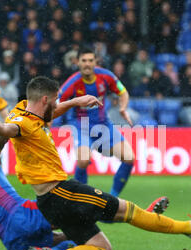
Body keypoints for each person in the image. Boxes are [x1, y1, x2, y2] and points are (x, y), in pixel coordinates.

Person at [0, 76, 191, 250]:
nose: (59, 104)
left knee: (102, 249)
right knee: (126, 210)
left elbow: (45, 115)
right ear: (46, 100)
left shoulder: (24, 110)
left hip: (49, 204)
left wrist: (75, 102)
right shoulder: (21, 123)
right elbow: (5, 129)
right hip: (63, 193)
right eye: (57, 100)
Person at [58, 47, 135, 197]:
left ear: (96, 62)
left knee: (129, 158)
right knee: (83, 160)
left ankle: (112, 198)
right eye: (84, 60)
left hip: (104, 125)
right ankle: (82, 199)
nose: (87, 64)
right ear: (77, 62)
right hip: (82, 126)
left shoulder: (106, 76)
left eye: (90, 60)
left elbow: (123, 91)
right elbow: (57, 102)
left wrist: (123, 107)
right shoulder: (72, 82)